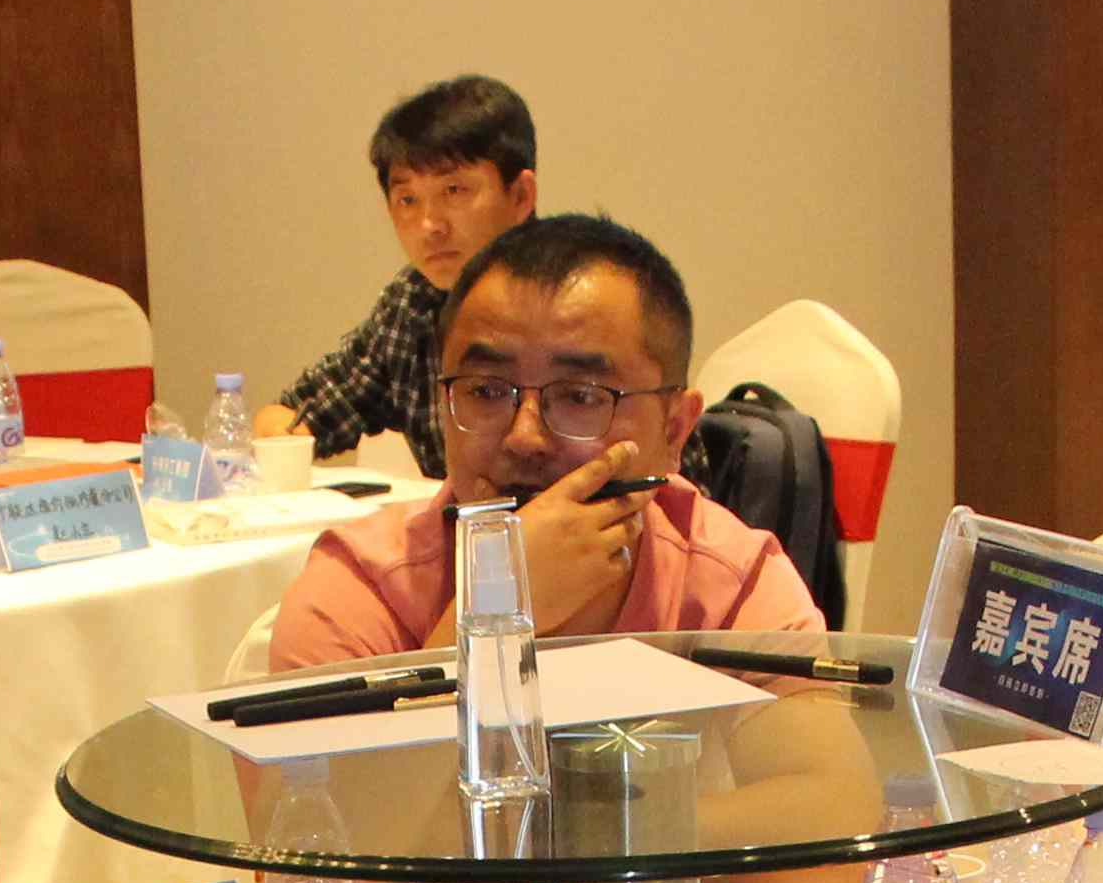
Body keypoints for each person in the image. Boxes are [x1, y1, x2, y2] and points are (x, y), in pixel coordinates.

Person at [267, 211, 828, 669]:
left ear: (674, 429)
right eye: (486, 391)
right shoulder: (360, 592)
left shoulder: (731, 589)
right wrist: (495, 608)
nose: (525, 437)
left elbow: (825, 773)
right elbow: (339, 784)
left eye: (581, 396)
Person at [256, 72, 540, 478]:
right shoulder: (414, 302)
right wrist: (281, 437)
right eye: (407, 199)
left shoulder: (575, 301)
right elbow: (290, 417)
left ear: (520, 196)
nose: (430, 225)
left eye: (454, 191)